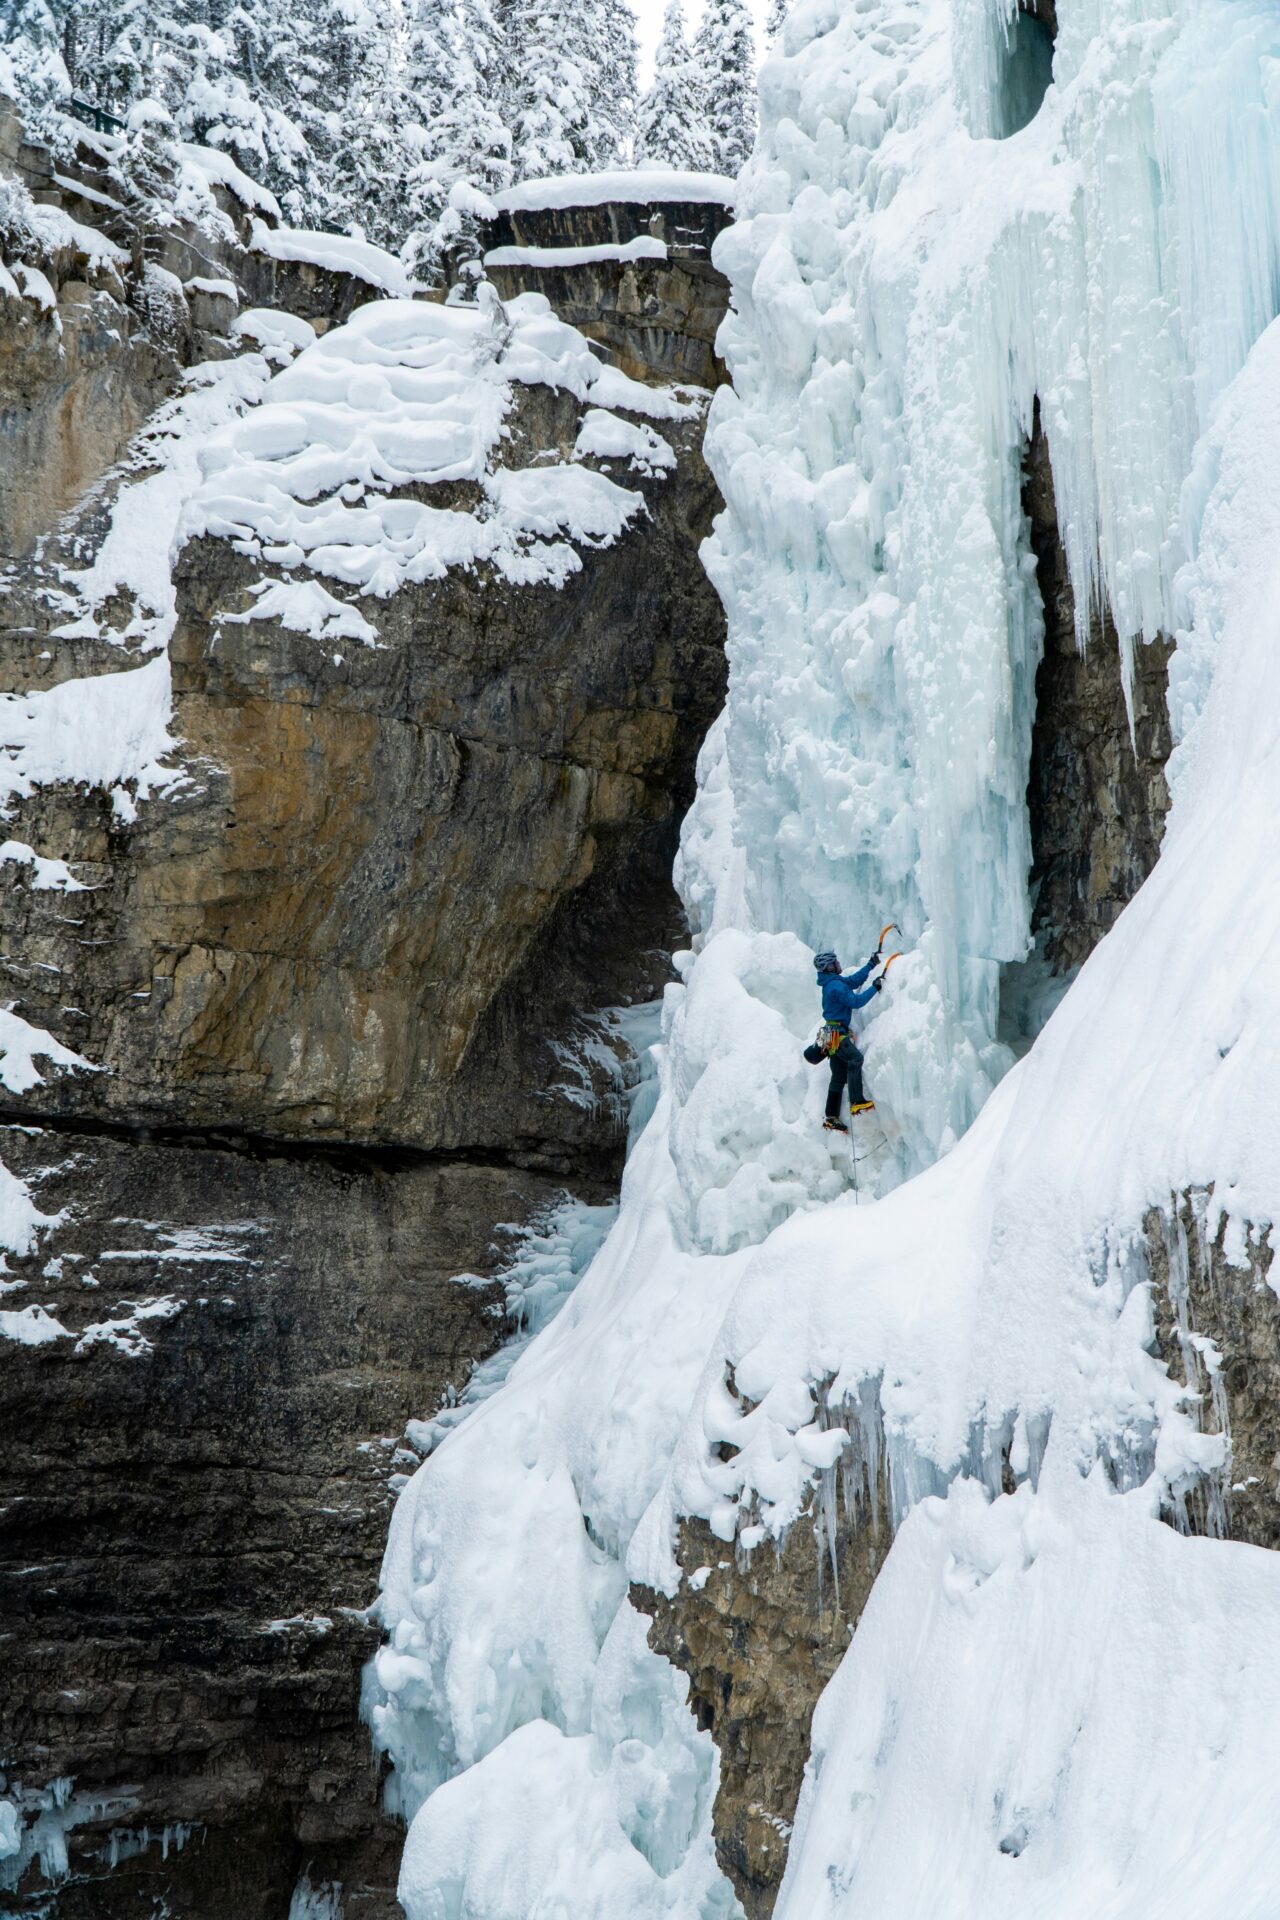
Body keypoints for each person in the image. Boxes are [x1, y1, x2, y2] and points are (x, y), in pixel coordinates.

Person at [808, 949, 882, 1133]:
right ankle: (857, 1100)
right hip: (838, 1035)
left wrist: (870, 966)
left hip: (831, 1036)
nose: (838, 963)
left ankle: (831, 1116)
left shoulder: (833, 983)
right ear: (829, 967)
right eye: (835, 962)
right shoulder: (835, 986)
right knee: (855, 1059)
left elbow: (853, 981)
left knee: (838, 1077)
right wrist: (875, 988)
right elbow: (856, 1002)